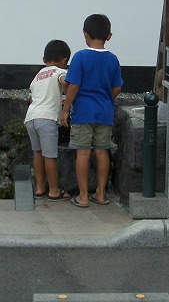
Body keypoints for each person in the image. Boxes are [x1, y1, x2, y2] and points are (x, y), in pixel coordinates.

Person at [60, 14, 123, 208]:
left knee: (83, 153)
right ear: (109, 36)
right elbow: (117, 87)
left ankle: (83, 196)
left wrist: (65, 109)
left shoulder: (80, 56)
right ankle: (101, 194)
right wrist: (106, 100)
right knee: (102, 151)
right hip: (104, 112)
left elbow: (73, 86)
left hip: (83, 112)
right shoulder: (113, 59)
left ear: (84, 34)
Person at [25, 40, 72, 201]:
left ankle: (39, 188)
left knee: (37, 153)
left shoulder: (38, 76)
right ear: (65, 60)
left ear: (44, 59)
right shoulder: (60, 71)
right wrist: (67, 96)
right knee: (50, 156)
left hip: (31, 118)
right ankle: (54, 190)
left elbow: (31, 98)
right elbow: (65, 82)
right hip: (47, 119)